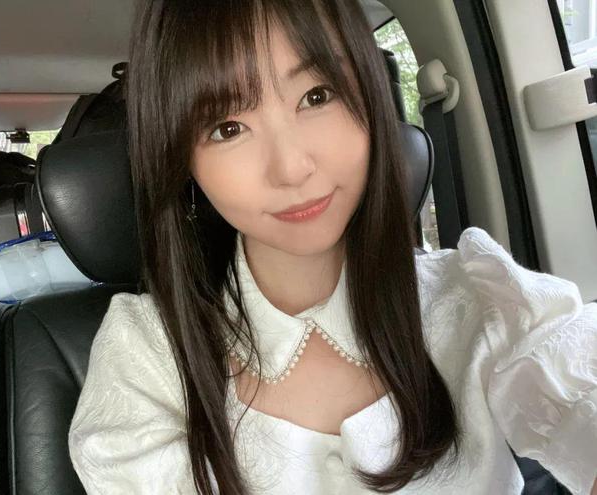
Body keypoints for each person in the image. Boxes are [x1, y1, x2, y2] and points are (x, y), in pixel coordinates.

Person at [68, 0, 597, 493]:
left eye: (316, 96)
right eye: (228, 128)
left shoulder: (482, 298)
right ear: (184, 161)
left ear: (367, 94)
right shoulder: (146, 362)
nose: (292, 167)